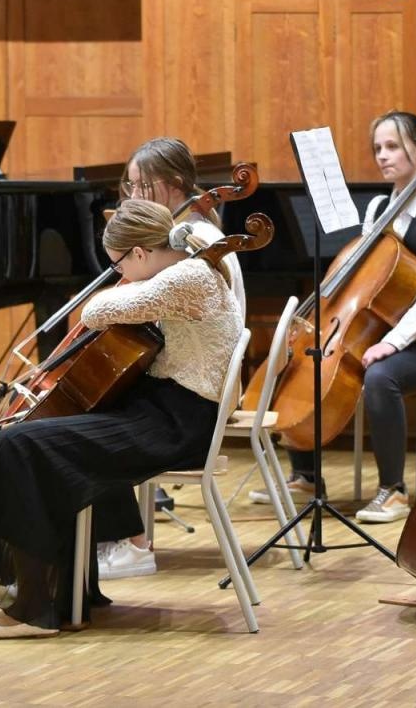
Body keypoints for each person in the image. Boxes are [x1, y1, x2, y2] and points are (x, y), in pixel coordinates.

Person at [0, 199, 243, 638]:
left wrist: (118, 288)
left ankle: (29, 609)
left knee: (19, 444)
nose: (119, 274)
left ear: (140, 253)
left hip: (177, 424)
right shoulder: (188, 266)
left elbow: (96, 311)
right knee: (33, 441)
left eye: (118, 265)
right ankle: (67, 595)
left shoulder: (187, 276)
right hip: (166, 410)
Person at [284, 112, 416, 523]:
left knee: (381, 376)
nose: (382, 156)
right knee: (304, 359)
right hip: (385, 328)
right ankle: (307, 476)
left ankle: (393, 490)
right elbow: (362, 280)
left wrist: (392, 343)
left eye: (392, 147)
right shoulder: (379, 207)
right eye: (377, 149)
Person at [95, 137, 246, 579]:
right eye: (130, 186)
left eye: (144, 187)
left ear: (176, 185)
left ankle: (129, 541)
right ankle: (110, 537)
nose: (134, 197)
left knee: (100, 419)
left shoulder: (199, 245)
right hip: (186, 378)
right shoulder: (174, 238)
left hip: (198, 388)